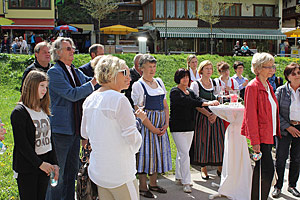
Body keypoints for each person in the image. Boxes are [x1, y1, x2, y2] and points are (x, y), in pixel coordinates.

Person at [81, 55, 142, 200]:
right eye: (124, 73)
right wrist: (133, 148)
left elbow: (84, 132)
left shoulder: (89, 99)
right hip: (120, 171)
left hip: (99, 171)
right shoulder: (119, 99)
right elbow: (132, 138)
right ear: (112, 73)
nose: (129, 77)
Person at [46, 37, 97, 200]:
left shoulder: (74, 71)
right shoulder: (54, 72)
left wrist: (103, 79)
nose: (72, 51)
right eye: (68, 48)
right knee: (58, 174)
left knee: (71, 173)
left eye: (72, 48)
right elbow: (72, 94)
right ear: (58, 52)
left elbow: (89, 82)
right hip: (60, 129)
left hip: (74, 129)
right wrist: (94, 83)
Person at [10, 70, 59, 200]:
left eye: (46, 86)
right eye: (41, 86)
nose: (45, 90)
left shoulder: (43, 109)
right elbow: (22, 145)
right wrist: (40, 164)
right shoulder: (19, 112)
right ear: (31, 86)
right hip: (28, 167)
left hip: (45, 165)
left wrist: (54, 163)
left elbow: (49, 139)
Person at [170, 68, 219, 193]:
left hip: (190, 126)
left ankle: (179, 176)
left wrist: (209, 102)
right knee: (184, 153)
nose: (185, 79)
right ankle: (186, 182)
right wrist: (208, 104)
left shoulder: (190, 91)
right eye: (183, 77)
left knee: (183, 152)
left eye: (187, 77)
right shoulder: (175, 91)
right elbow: (190, 102)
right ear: (178, 78)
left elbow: (198, 99)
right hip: (178, 127)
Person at [241, 52, 281, 200]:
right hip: (261, 136)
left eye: (273, 66)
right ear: (258, 69)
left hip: (269, 134)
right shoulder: (253, 86)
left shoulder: (268, 85)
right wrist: (255, 141)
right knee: (267, 170)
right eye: (268, 67)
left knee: (261, 170)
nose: (272, 69)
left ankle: (257, 197)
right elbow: (250, 116)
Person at [132, 54, 172, 198]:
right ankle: (143, 186)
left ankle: (153, 183)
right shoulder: (138, 85)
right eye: (149, 66)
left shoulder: (159, 82)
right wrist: (153, 128)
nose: (152, 69)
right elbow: (138, 111)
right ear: (141, 68)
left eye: (154, 66)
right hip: (147, 126)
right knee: (145, 155)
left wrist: (166, 123)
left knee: (157, 154)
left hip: (160, 125)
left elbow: (165, 106)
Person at [190, 60, 225, 180]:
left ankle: (219, 166)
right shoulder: (195, 84)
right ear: (201, 71)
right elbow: (195, 103)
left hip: (216, 115)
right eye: (207, 69)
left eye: (210, 68)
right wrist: (207, 114)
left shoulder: (215, 82)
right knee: (203, 141)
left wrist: (215, 114)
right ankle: (203, 168)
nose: (209, 71)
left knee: (218, 141)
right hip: (202, 116)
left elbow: (220, 99)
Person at [272, 63, 300, 198]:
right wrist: (288, 127)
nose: (297, 76)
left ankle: (292, 185)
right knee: (281, 158)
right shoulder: (281, 91)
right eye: (294, 73)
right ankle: (278, 186)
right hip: (284, 128)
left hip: (299, 128)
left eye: (299, 73)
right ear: (288, 77)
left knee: (296, 158)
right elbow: (275, 112)